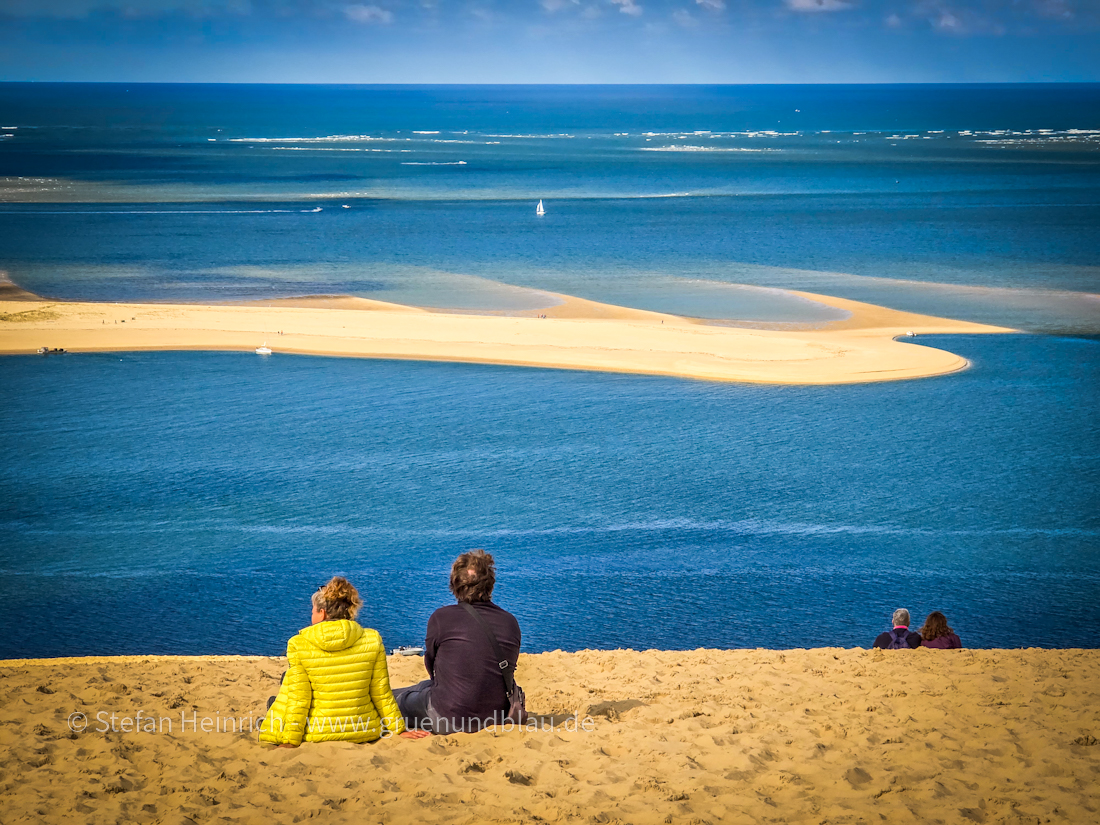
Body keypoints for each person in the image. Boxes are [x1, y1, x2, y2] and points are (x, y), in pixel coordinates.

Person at [259, 576, 427, 746]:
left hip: (318, 731)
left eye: (313, 610)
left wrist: (290, 741)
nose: (311, 614)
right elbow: (381, 692)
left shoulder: (299, 644)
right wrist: (399, 729)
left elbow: (299, 698)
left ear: (322, 612)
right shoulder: (372, 639)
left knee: (287, 687)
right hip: (363, 730)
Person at [393, 549, 522, 734]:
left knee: (397, 700)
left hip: (449, 717)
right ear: (490, 584)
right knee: (422, 687)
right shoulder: (510, 622)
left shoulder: (442, 618)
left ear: (455, 584)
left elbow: (431, 666)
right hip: (496, 717)